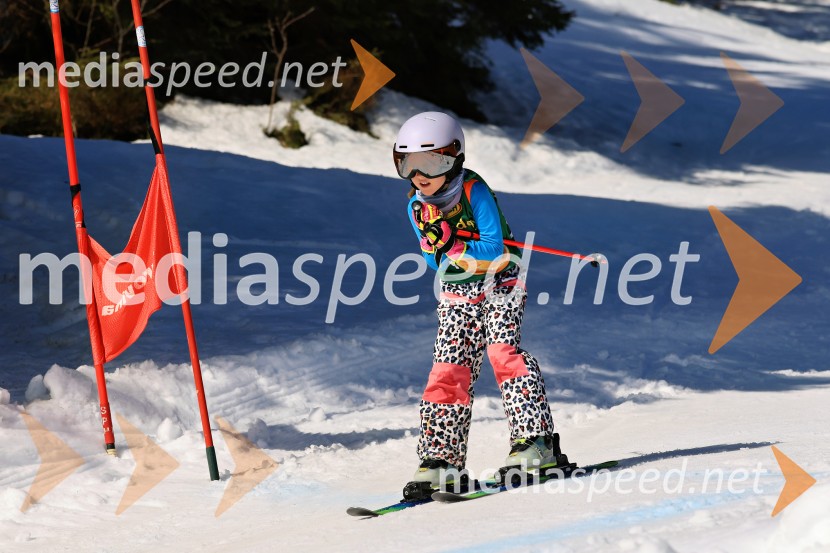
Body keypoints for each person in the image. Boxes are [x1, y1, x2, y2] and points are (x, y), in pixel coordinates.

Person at [393, 111, 567, 497]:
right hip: (458, 289)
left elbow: (492, 249)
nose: (419, 175)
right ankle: (441, 460)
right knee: (448, 368)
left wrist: (452, 243)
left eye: (430, 163)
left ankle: (535, 443)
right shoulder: (416, 206)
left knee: (503, 353)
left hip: (502, 279)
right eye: (407, 164)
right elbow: (434, 262)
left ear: (454, 159)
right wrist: (438, 245)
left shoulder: (473, 191)